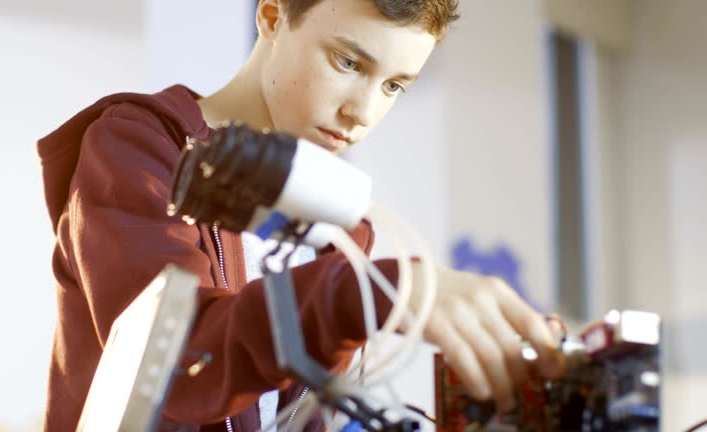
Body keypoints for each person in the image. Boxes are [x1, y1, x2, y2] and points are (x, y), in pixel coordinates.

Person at [37, 0, 565, 430]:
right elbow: (181, 366)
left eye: (394, 85)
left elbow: (293, 420)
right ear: (271, 18)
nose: (363, 112)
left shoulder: (333, 228)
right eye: (348, 62)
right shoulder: (140, 147)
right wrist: (383, 291)